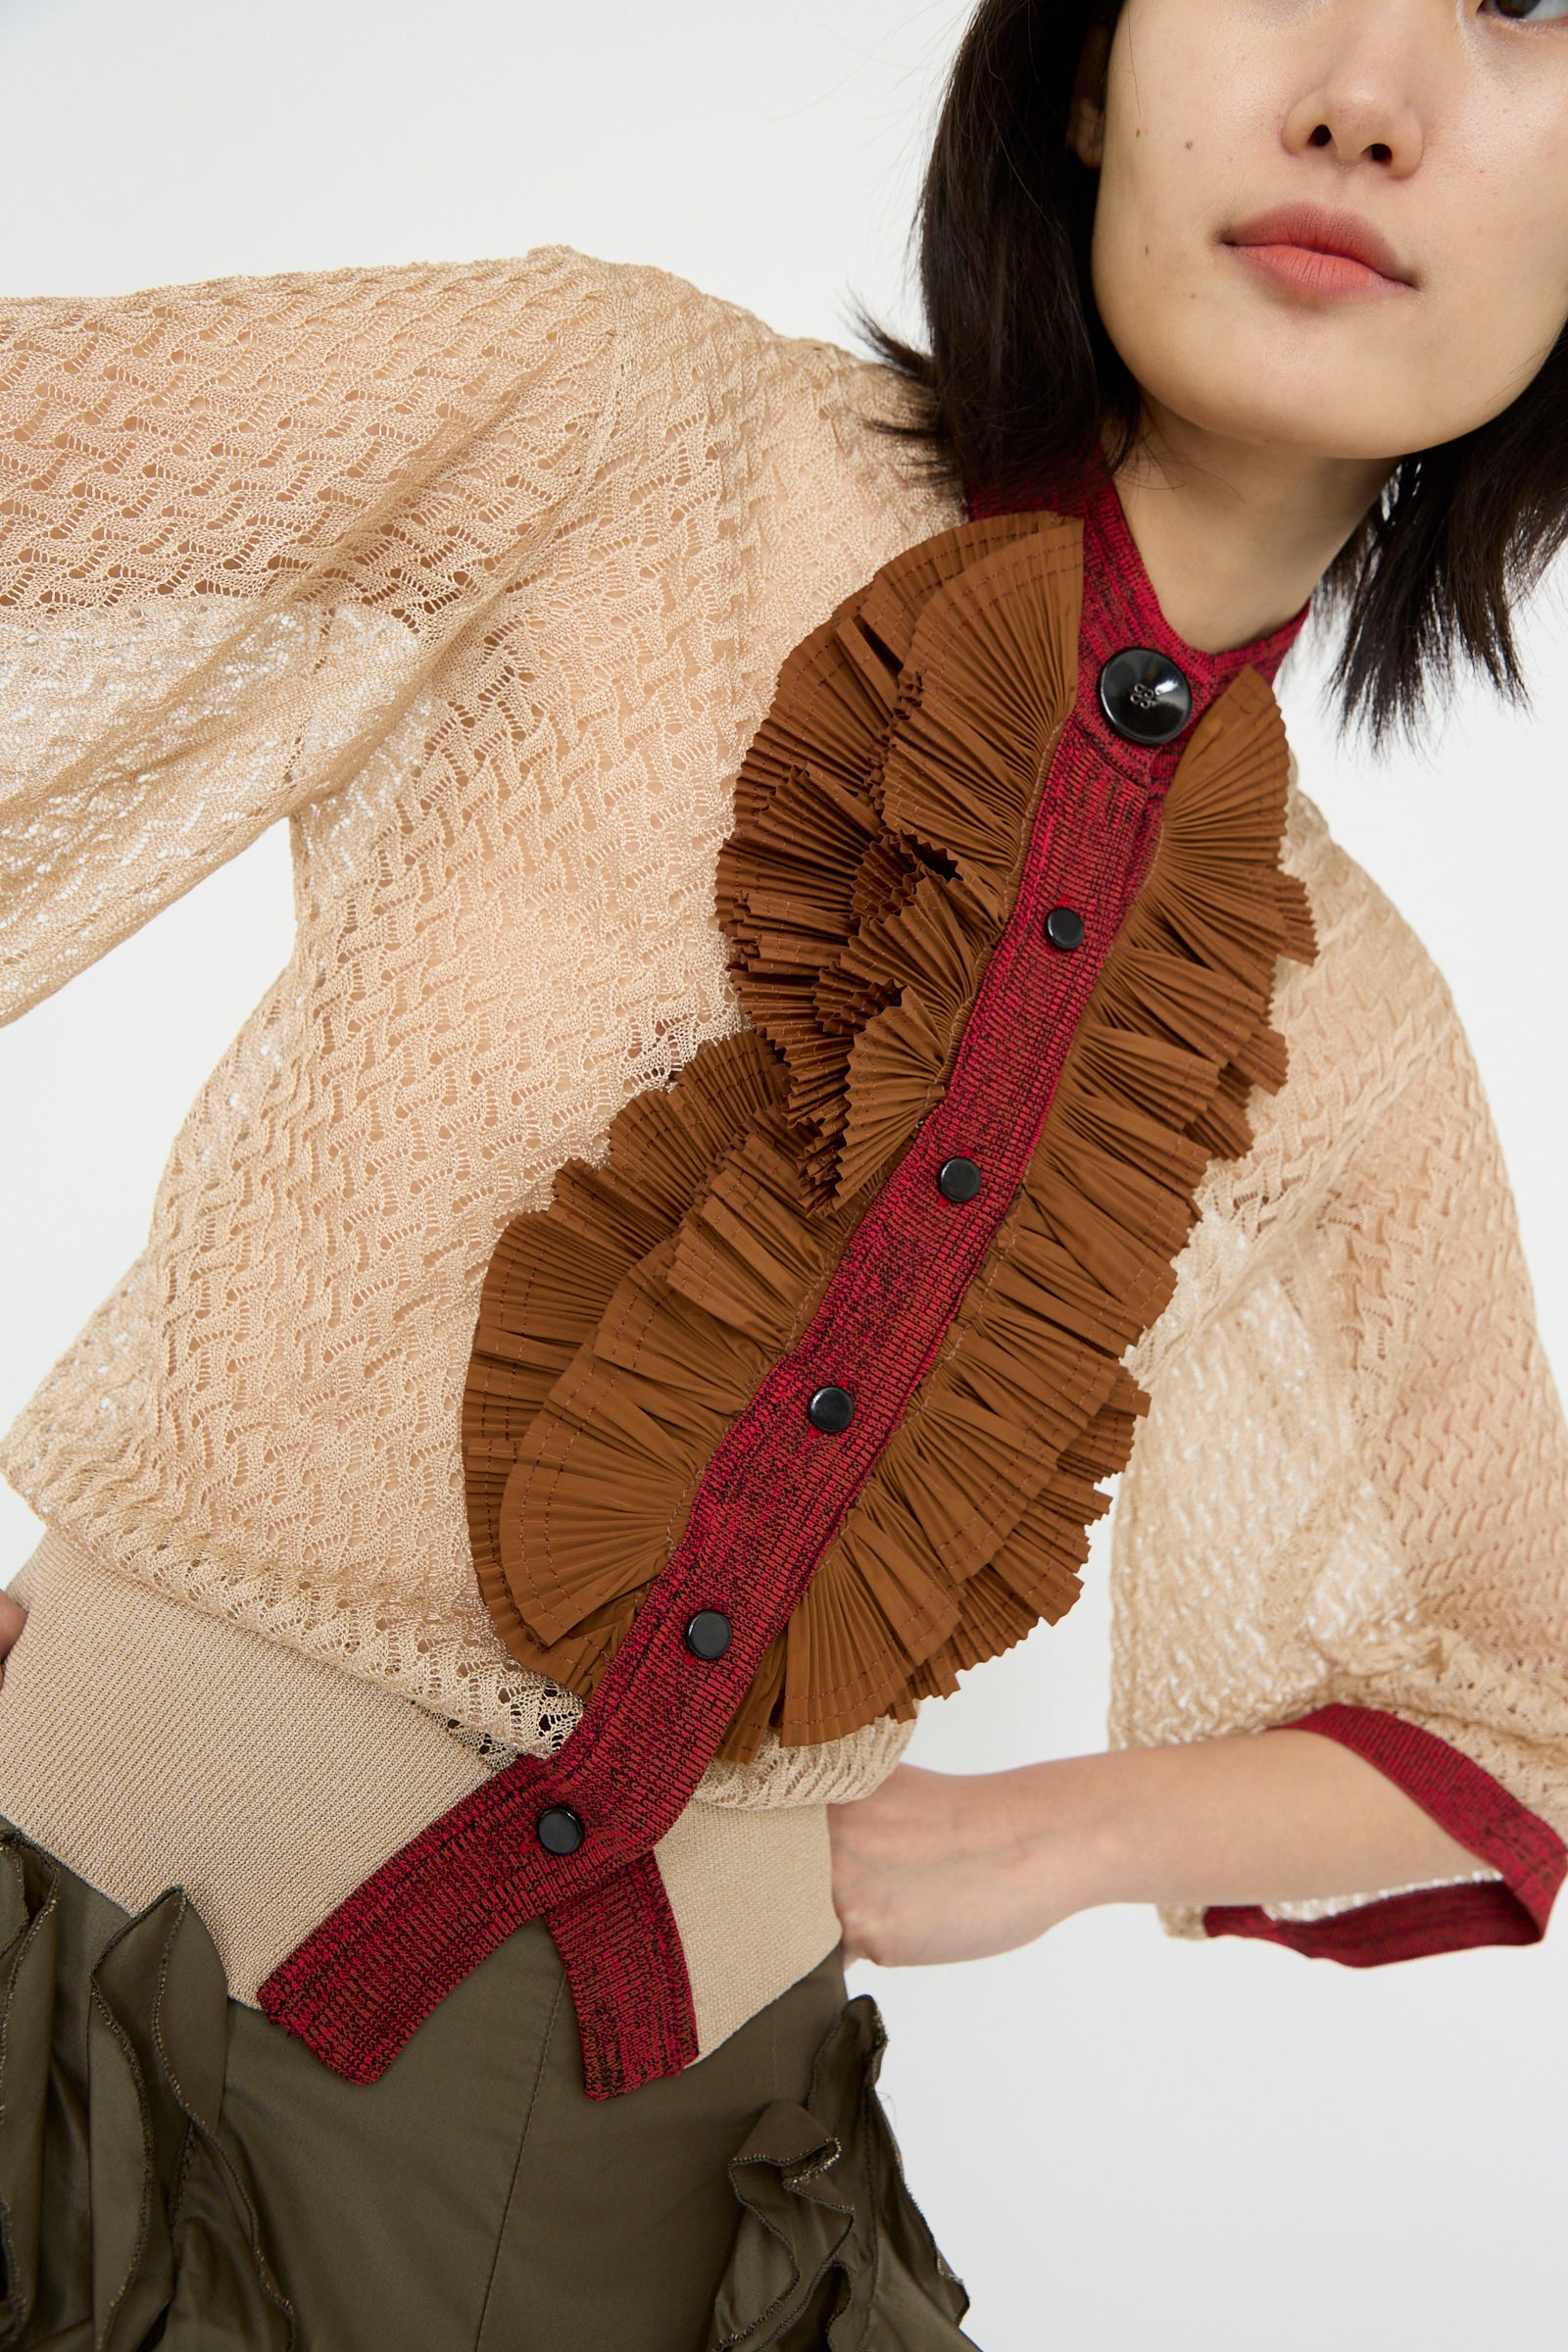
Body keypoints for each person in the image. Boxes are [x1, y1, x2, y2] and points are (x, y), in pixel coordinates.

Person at [1, 0, 1566, 2342]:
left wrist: (1050, 1839)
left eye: (1521, 3)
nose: (1360, 91)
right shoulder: (626, 430)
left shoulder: (1338, 1003)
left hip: (688, 2186)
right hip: (71, 2031)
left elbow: (1501, 1700)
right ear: (1077, 70)